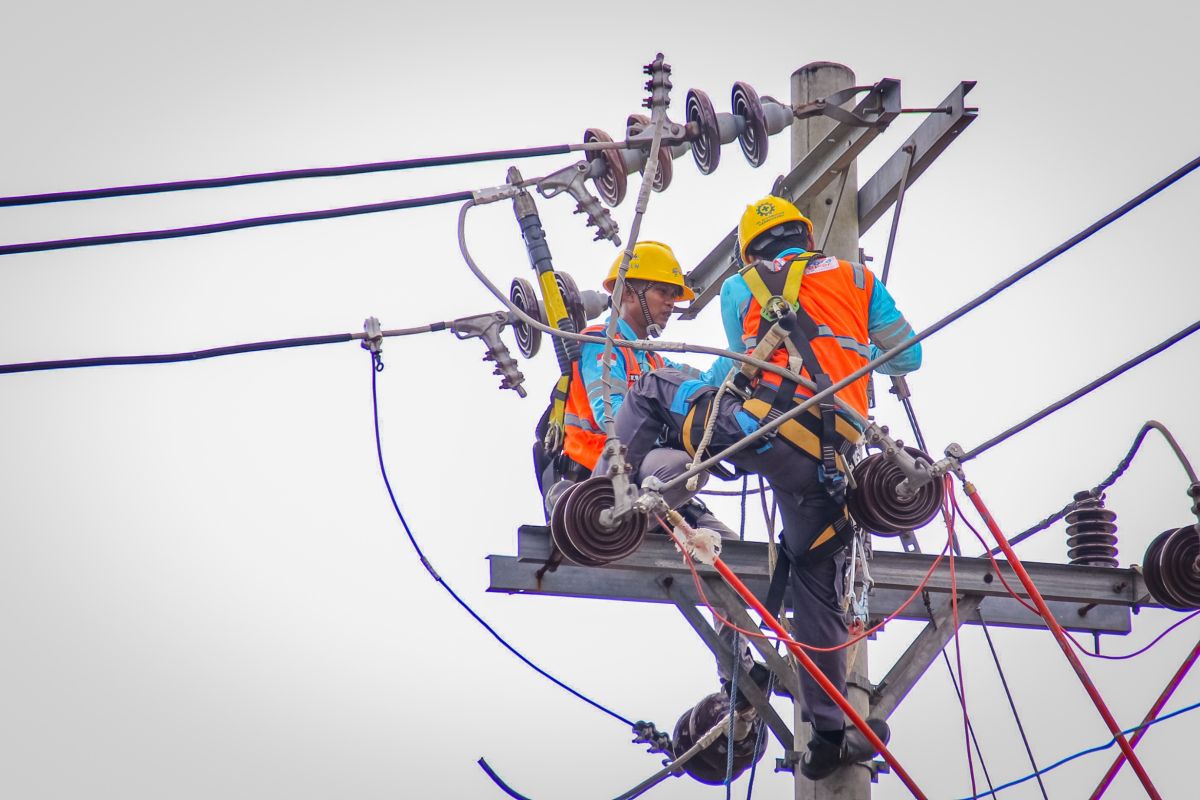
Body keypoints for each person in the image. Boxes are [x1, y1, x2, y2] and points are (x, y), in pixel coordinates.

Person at [608, 196, 922, 780]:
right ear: (804, 235)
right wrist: (852, 350)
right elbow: (909, 357)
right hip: (830, 457)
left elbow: (736, 370)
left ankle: (608, 502)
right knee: (815, 575)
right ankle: (830, 733)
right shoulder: (859, 279)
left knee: (652, 388)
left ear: (750, 250)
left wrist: (690, 389)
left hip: (762, 433)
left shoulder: (743, 285)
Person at [539, 240, 734, 529]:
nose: (671, 303)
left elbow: (705, 384)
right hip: (601, 473)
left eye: (674, 295)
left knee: (724, 542)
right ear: (628, 293)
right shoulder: (601, 344)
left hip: (641, 473)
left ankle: (633, 523)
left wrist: (746, 349)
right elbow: (612, 418)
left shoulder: (653, 360)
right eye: (662, 292)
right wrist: (668, 428)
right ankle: (614, 529)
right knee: (686, 467)